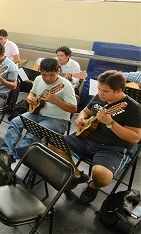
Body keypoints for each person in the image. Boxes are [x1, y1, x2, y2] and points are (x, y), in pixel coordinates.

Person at [50, 70, 140, 205]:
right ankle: (76, 175)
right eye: (99, 89)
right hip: (85, 138)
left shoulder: (133, 108)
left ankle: (93, 186)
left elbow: (134, 138)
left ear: (119, 90)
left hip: (111, 148)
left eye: (105, 91)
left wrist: (110, 122)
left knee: (102, 176)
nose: (100, 93)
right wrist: (80, 119)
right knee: (52, 143)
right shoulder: (100, 97)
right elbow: (85, 111)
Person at [1, 58, 77, 163]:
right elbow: (32, 93)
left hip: (58, 120)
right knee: (15, 122)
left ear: (58, 71)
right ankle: (4, 154)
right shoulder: (38, 79)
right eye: (44, 75)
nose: (48, 78)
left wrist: (55, 101)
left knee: (33, 133)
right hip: (37, 113)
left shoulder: (66, 85)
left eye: (51, 75)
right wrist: (29, 98)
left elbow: (73, 109)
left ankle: (11, 158)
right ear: (40, 71)